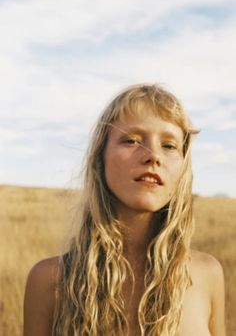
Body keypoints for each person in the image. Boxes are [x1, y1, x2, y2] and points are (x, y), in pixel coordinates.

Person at [23, 84, 226, 336]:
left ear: (183, 167)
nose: (153, 155)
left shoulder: (207, 273)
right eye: (131, 140)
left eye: (169, 145)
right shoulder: (50, 281)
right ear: (100, 158)